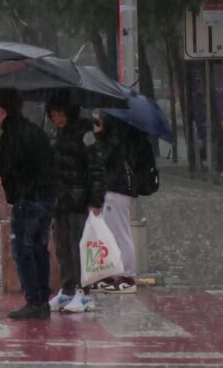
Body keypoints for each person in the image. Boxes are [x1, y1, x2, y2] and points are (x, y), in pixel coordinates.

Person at [0, 88, 56, 320]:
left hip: (28, 199)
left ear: (3, 110)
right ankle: (42, 300)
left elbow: (11, 170)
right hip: (46, 198)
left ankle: (34, 301)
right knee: (39, 249)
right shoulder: (34, 130)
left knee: (22, 250)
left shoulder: (12, 134)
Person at [45, 93, 105, 313]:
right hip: (60, 201)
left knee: (80, 247)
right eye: (53, 115)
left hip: (81, 201)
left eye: (60, 114)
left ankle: (84, 292)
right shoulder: (55, 133)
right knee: (62, 248)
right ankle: (67, 288)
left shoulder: (85, 132)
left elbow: (97, 167)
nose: (57, 119)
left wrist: (95, 200)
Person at [91, 113, 139, 294]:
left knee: (120, 234)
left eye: (101, 119)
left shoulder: (114, 140)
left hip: (117, 191)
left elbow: (106, 159)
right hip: (114, 190)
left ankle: (127, 276)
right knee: (109, 235)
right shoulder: (117, 137)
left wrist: (98, 136)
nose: (98, 122)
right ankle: (110, 274)